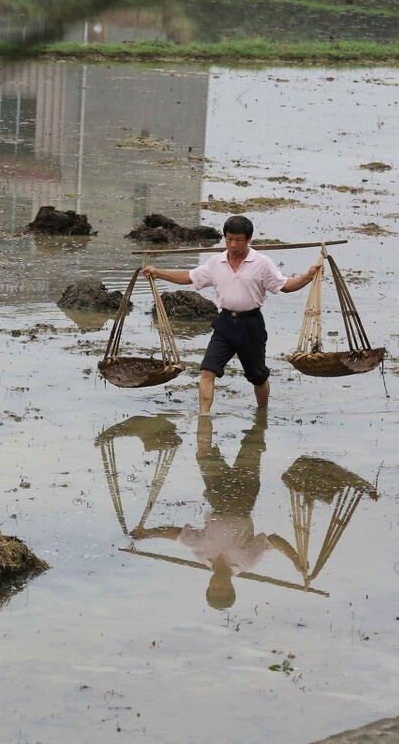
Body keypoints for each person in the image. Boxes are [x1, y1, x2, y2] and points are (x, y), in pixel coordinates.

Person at [142, 215, 320, 413]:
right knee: (208, 371)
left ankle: (262, 414)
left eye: (238, 240)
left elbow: (285, 286)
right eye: (229, 239)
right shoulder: (216, 263)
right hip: (225, 323)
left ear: (249, 239)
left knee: (258, 376)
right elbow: (189, 277)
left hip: (251, 324)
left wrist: (308, 276)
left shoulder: (262, 263)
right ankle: (204, 420)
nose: (233, 244)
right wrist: (158, 272)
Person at [131, 414, 299, 610]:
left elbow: (177, 534)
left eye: (214, 589)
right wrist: (295, 559)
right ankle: (260, 415)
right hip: (244, 497)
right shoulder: (246, 562)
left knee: (203, 453)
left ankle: (205, 415)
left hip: (217, 495)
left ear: (209, 586)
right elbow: (274, 540)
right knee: (252, 444)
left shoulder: (202, 554)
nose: (218, 585)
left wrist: (147, 533)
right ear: (231, 587)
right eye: (223, 589)